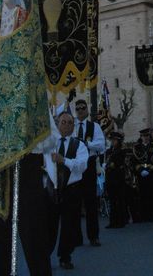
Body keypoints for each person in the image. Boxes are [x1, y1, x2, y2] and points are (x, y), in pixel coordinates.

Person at [0, 54, 55, 276]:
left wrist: (28, 139)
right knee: (0, 241)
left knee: (35, 240)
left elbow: (51, 139)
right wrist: (24, 137)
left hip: (29, 172)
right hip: (0, 173)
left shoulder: (36, 104)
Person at [45, 111, 88, 270]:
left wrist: (64, 160)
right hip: (52, 190)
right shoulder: (49, 144)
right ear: (57, 124)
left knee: (69, 225)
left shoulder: (80, 145)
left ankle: (65, 256)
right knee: (50, 225)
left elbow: (82, 165)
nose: (67, 125)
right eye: (63, 122)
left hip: (71, 190)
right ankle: (45, 255)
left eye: (70, 123)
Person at [73, 98, 105, 247]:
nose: (80, 110)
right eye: (78, 108)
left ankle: (93, 236)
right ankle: (76, 237)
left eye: (82, 108)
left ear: (86, 109)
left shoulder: (94, 126)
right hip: (74, 165)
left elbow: (101, 145)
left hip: (89, 164)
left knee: (91, 201)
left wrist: (88, 144)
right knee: (74, 203)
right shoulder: (71, 126)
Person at [132, 128, 153, 222]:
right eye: (143, 136)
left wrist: (149, 169)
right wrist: (141, 170)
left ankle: (152, 215)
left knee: (151, 195)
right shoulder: (137, 147)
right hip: (140, 173)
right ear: (141, 137)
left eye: (147, 136)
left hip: (151, 173)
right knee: (142, 195)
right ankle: (143, 215)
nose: (145, 138)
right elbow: (134, 161)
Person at [104, 131, 127, 229]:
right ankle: (112, 221)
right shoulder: (109, 151)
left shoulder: (121, 151)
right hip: (110, 178)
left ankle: (121, 221)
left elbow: (118, 163)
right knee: (112, 201)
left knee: (120, 200)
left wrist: (110, 165)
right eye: (112, 140)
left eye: (114, 140)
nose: (112, 142)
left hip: (118, 178)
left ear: (119, 141)